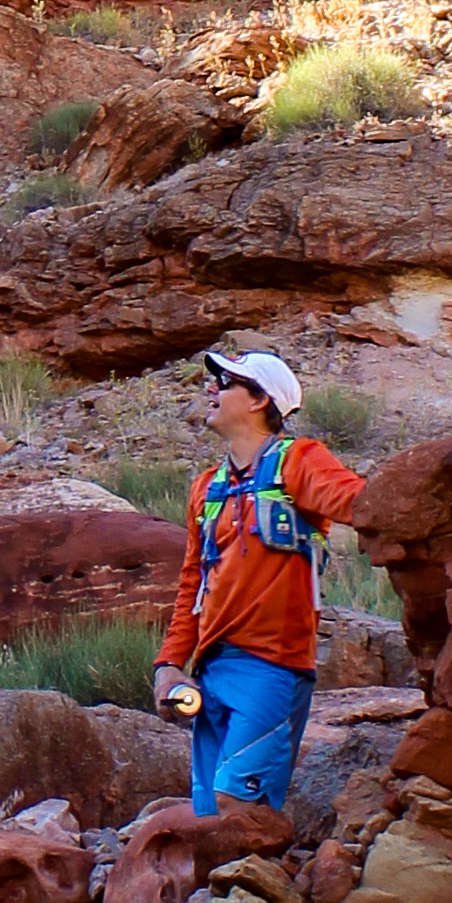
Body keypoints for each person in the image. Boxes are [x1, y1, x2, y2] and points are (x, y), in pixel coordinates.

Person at [152, 341, 365, 815]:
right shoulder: (207, 487)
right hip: (210, 674)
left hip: (274, 667)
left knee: (239, 810)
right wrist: (169, 664)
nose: (211, 388)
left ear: (258, 400)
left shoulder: (300, 460)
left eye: (225, 383)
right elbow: (192, 584)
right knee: (208, 815)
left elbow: (356, 501)